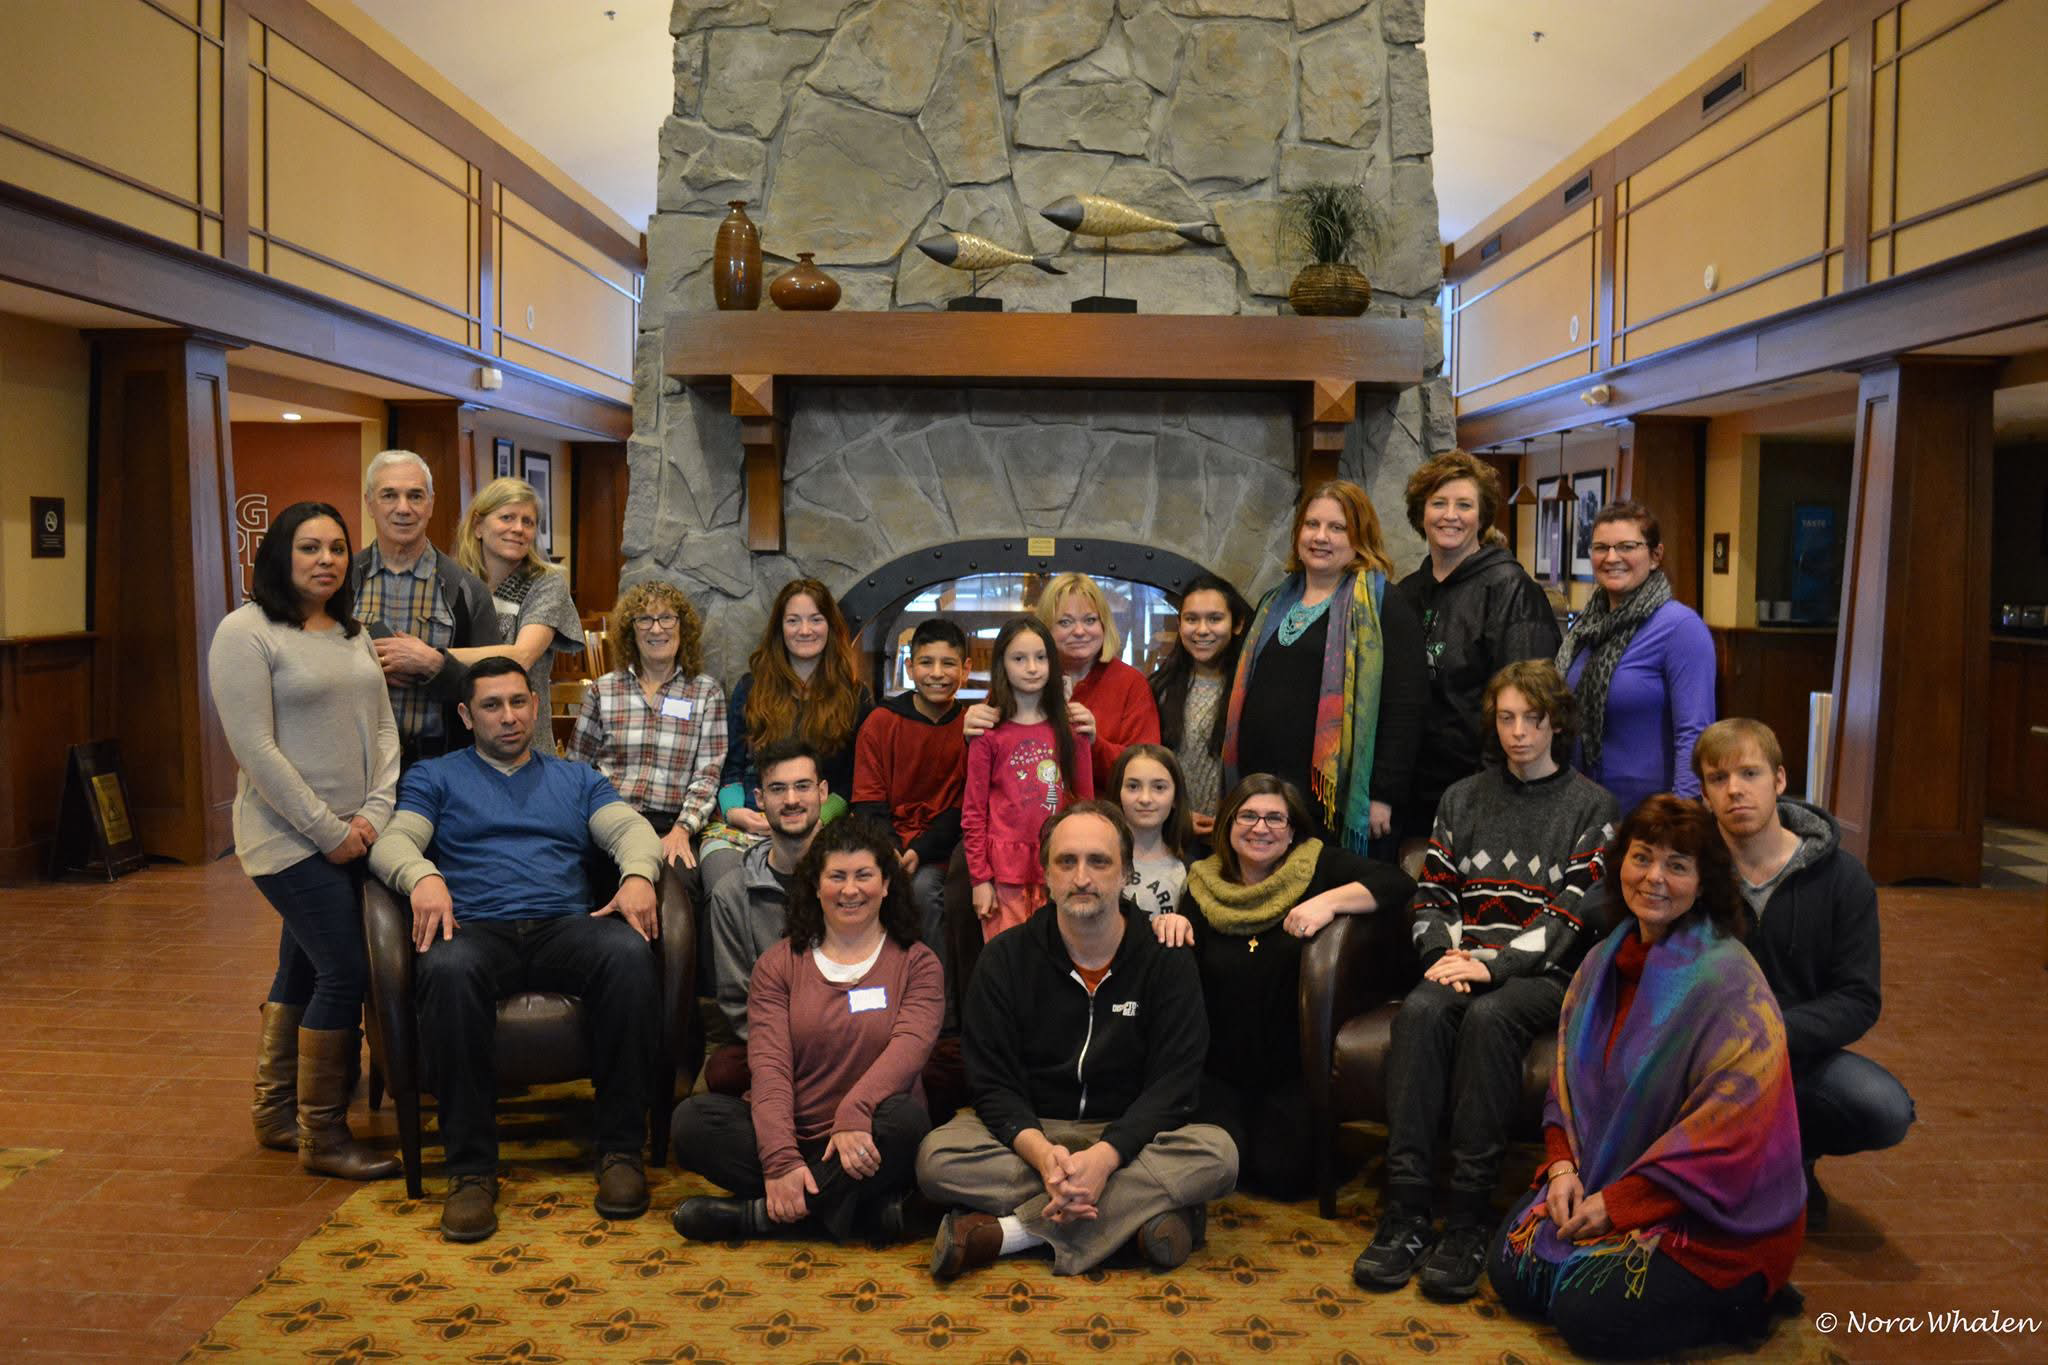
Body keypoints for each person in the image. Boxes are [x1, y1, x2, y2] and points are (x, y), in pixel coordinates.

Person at [1488, 795, 1806, 1359]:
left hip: (1710, 1218)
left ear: (1704, 883)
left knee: (1586, 1313)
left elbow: (1732, 1136)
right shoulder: (1603, 961)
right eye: (1642, 858)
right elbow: (1565, 1087)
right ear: (1620, 866)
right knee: (1513, 1274)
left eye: (1677, 865)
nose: (1654, 878)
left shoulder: (1730, 983)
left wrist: (1622, 1204)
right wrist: (1562, 1168)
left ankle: (1745, 1302)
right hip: (1603, 1179)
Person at [366, 656, 664, 1242]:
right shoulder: (436, 777)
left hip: (563, 924)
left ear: (534, 703)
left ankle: (621, 1153)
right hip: (476, 928)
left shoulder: (576, 779)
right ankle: (472, 1171)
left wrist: (637, 876)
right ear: (466, 715)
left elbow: (629, 829)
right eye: (492, 706)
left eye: (519, 702)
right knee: (447, 969)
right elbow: (394, 841)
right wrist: (422, 877)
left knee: (629, 955)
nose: (509, 717)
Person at [1355, 660, 1617, 1301]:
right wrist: (1446, 956)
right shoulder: (1462, 798)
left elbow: (1569, 915)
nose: (1519, 732)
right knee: (1419, 1012)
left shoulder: (1593, 807)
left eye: (1533, 718)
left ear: (1557, 721)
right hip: (1460, 960)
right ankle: (1409, 1210)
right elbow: (1432, 895)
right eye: (1506, 718)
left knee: (1490, 1018)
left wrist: (1492, 964)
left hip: (1546, 973)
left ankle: (1468, 1217)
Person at [915, 802, 1238, 1279]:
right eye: (1067, 862)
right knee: (936, 1159)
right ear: (1045, 873)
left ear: (1126, 872)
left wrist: (1107, 1158)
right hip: (1030, 1137)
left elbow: (1174, 1086)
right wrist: (1045, 1156)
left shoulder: (1165, 961)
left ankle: (1010, 1234)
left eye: (1099, 861)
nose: (1082, 876)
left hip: (1131, 1135)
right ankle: (1143, 1216)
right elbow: (992, 1085)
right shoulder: (1005, 959)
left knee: (1218, 1155)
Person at [208, 501, 401, 1182]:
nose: (326, 559)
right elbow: (255, 749)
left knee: (304, 965)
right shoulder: (246, 631)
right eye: (310, 547)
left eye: (338, 548)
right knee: (346, 968)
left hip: (356, 830)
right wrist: (326, 829)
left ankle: (275, 1113)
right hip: (287, 839)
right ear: (280, 555)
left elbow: (383, 728)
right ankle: (324, 1134)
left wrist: (375, 813)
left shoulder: (353, 631)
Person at [671, 818, 944, 1245]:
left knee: (907, 1123)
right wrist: (780, 1159)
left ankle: (755, 1217)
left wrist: (855, 1112)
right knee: (691, 1123)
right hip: (794, 1133)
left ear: (887, 885)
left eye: (863, 875)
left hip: (871, 1132)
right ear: (816, 887)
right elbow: (769, 1067)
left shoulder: (918, 964)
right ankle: (862, 1211)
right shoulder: (779, 965)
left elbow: (908, 1050)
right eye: (836, 876)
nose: (850, 890)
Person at [1151, 775, 1413, 1198]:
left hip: (1290, 1071)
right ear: (1228, 825)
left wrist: (1326, 902)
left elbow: (1398, 883)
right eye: (1248, 816)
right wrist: (1172, 922)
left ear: (1292, 831)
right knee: (1222, 1168)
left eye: (1275, 818)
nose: (1261, 828)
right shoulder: (1201, 883)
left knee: (1282, 1177)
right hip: (1219, 1070)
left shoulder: (1318, 867)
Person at [1693, 718, 1912, 1222]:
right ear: (1704, 794)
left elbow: (1858, 997)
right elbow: (1613, 901)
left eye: (1750, 774)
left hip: (1797, 1052)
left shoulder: (1843, 878)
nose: (1735, 791)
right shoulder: (1688, 864)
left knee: (1882, 1108)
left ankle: (1793, 1157)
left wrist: (1771, 1034)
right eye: (1718, 779)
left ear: (1780, 780)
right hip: (1703, 1052)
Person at [1224, 480, 1426, 854]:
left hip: (1333, 803)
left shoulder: (1383, 606)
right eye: (1312, 525)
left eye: (1337, 528)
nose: (1321, 537)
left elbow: (1406, 708)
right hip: (1264, 796)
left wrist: (1382, 794)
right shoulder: (1273, 602)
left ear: (1359, 537)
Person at [1394, 452, 1562, 841]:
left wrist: (1495, 792)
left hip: (1485, 793)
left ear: (1482, 517)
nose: (1450, 515)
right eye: (1439, 503)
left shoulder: (1510, 590)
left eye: (1464, 505)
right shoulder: (1406, 593)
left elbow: (1528, 702)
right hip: (1413, 796)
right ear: (1421, 513)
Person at [700, 579, 872, 897]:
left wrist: (818, 817)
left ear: (831, 627)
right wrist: (736, 812)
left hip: (818, 823)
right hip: (748, 821)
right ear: (780, 628)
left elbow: (851, 780)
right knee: (726, 887)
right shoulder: (751, 688)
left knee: (815, 886)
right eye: (793, 620)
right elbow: (731, 767)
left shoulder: (855, 697)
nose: (804, 630)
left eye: (815, 619)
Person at [1555, 499, 1716, 815]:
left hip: (1645, 817)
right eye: (1602, 547)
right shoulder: (1585, 629)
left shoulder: (1681, 628)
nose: (1612, 557)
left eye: (1627, 546)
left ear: (1655, 556)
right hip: (1579, 811)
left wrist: (1679, 817)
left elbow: (1695, 734)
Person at [351, 449, 502, 767]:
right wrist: (361, 665)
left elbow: (495, 687)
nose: (403, 508)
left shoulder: (467, 591)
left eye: (415, 496)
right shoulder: (340, 584)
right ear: (369, 503)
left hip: (440, 765)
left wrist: (435, 665)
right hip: (355, 764)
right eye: (389, 495)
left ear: (431, 503)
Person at [566, 581, 726, 873]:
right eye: (645, 619)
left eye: (666, 618)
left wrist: (683, 829)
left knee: (675, 887)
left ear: (682, 628)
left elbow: (707, 776)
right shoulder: (604, 691)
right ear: (630, 630)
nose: (656, 629)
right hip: (609, 818)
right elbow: (577, 770)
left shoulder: (706, 693)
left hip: (671, 825)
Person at [964, 573, 1160, 795]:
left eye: (1090, 620)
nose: (1079, 631)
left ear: (1104, 625)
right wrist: (972, 732)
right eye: (1065, 622)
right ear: (1045, 629)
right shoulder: (1023, 676)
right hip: (1024, 814)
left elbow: (1150, 771)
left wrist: (1094, 745)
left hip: (1106, 818)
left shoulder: (1131, 683)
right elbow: (984, 763)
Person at [963, 616, 1093, 941]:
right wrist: (980, 880)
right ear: (1002, 665)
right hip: (1003, 875)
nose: (1032, 668)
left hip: (1060, 870)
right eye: (1019, 659)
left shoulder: (1072, 728)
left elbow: (1086, 806)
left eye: (1040, 657)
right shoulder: (987, 732)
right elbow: (974, 812)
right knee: (1007, 963)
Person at [704, 740, 829, 1081]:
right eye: (778, 789)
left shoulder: (852, 880)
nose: (791, 800)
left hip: (847, 1039)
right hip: (772, 1049)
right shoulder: (731, 894)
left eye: (802, 787)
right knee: (722, 1074)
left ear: (823, 792)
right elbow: (738, 1002)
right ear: (760, 800)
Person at [851, 618, 969, 973]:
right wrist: (893, 849)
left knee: (922, 889)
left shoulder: (971, 726)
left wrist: (920, 850)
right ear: (909, 667)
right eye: (926, 663)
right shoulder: (881, 722)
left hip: (942, 848)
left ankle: (942, 1008)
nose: (937, 673)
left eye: (948, 663)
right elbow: (868, 800)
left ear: (965, 669)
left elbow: (965, 806)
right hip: (887, 842)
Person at [451, 476, 585, 702]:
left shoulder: (546, 583)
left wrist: (436, 657)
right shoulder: (454, 581)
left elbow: (522, 656)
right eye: (507, 518)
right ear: (478, 526)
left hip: (523, 730)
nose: (518, 529)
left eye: (528, 522)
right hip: (458, 726)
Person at [1148, 573, 1251, 838]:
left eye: (1215, 619)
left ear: (1237, 624)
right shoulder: (1157, 689)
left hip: (1239, 834)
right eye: (1191, 619)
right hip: (1169, 832)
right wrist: (1177, 815)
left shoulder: (1252, 690)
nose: (1202, 630)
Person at [1113, 743, 1192, 920]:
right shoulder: (1095, 859)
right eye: (1133, 786)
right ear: (1119, 792)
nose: (1145, 799)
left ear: (1175, 798)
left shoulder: (1188, 872)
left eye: (1159, 787)